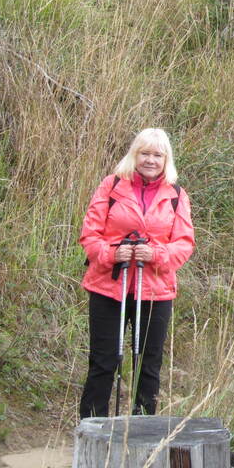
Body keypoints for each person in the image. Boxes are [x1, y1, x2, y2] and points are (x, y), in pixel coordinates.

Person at [78, 128, 195, 418]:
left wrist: (156, 254)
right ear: (134, 154)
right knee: (103, 362)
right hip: (108, 287)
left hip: (155, 289)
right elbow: (90, 234)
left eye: (157, 155)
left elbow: (184, 243)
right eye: (144, 153)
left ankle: (142, 430)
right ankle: (93, 429)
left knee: (148, 364)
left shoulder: (176, 195)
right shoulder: (112, 186)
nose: (150, 160)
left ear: (166, 159)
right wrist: (111, 254)